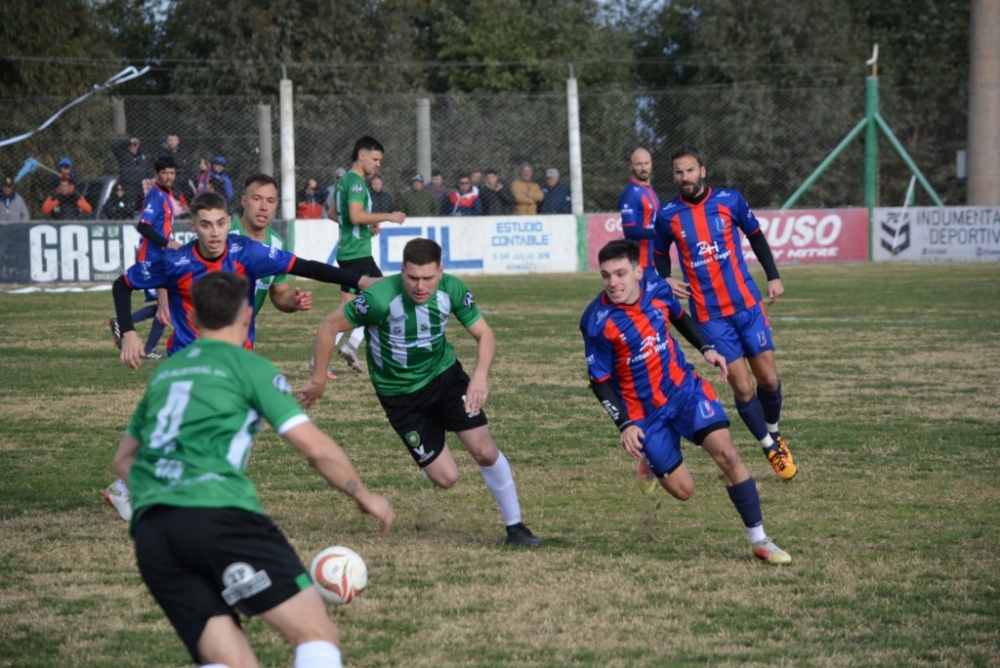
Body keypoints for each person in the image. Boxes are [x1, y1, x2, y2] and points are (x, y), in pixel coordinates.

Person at [111, 270, 393, 668]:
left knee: (231, 660)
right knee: (316, 633)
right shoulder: (250, 368)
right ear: (247, 314)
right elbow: (315, 449)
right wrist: (363, 495)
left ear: (191, 319)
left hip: (155, 535)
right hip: (219, 517)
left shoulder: (165, 376)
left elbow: (123, 460)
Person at [103, 179, 337, 521]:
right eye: (206, 225)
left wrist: (357, 281)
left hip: (234, 357)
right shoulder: (177, 261)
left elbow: (303, 270)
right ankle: (140, 490)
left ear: (229, 221)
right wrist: (128, 333)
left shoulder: (251, 250)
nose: (214, 232)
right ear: (194, 227)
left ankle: (140, 487)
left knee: (208, 429)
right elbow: (122, 284)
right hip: (192, 358)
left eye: (219, 223)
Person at [299, 237, 542, 549]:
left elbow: (485, 335)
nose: (420, 286)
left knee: (483, 450)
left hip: (445, 378)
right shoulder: (379, 298)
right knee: (446, 478)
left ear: (440, 271)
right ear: (402, 271)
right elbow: (328, 326)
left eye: (428, 277)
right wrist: (319, 378)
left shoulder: (453, 289)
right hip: (400, 396)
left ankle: (516, 527)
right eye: (412, 277)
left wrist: (479, 378)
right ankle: (432, 455)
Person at [580, 239, 791, 564]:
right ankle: (651, 461)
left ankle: (759, 539)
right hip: (644, 413)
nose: (613, 283)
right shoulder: (596, 321)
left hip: (684, 390)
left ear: (638, 271)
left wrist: (707, 347)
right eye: (606, 276)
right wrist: (624, 424)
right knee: (684, 491)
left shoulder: (657, 287)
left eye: (621, 273)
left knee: (728, 454)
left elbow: (680, 318)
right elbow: (600, 380)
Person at [653, 145, 796, 480]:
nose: (684, 178)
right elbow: (659, 253)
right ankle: (768, 447)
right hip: (710, 316)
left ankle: (773, 431)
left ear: (703, 170)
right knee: (744, 389)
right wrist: (665, 278)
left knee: (769, 380)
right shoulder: (668, 214)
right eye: (678, 172)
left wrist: (773, 276)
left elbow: (756, 236)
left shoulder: (730, 200)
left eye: (689, 170)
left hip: (748, 306)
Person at [327, 135, 406, 374]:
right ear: (361, 155)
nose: (378, 164)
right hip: (358, 254)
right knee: (388, 296)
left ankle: (341, 348)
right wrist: (388, 216)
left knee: (351, 306)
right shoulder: (357, 183)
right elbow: (354, 216)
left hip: (350, 253)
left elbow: (334, 213)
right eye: (375, 159)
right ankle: (351, 344)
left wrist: (365, 224)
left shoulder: (344, 181)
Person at [107, 156, 186, 361]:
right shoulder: (156, 196)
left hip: (162, 258)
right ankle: (147, 347)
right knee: (165, 307)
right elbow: (143, 226)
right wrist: (167, 243)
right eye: (165, 173)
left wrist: (168, 242)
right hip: (153, 259)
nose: (169, 176)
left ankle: (125, 326)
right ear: (157, 174)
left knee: (164, 306)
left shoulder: (165, 195)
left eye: (172, 173)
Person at [112, 136, 151, 207]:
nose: (133, 146)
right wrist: (129, 141)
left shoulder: (144, 156)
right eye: (131, 145)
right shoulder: (123, 155)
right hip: (128, 186)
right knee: (130, 205)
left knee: (145, 206)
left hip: (142, 187)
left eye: (135, 144)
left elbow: (149, 170)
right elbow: (115, 146)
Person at [162, 133, 193, 200]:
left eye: (174, 140)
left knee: (189, 192)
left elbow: (188, 168)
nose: (172, 142)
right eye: (170, 140)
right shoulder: (163, 154)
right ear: (167, 141)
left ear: (178, 141)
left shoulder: (185, 153)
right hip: (168, 180)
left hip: (183, 180)